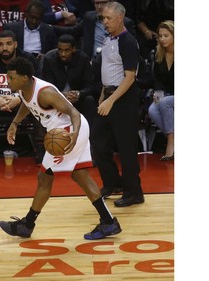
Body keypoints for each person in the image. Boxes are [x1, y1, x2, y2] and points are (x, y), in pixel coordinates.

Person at [0, 56, 122, 240]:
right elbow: (27, 104)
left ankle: (27, 224)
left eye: (11, 78)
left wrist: (74, 134)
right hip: (66, 131)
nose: (8, 81)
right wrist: (15, 123)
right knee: (80, 175)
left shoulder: (45, 92)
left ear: (24, 77)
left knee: (44, 178)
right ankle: (108, 222)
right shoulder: (25, 89)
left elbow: (74, 112)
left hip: (69, 131)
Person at [90, 2, 144, 207]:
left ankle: (134, 192)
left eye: (108, 18)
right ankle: (113, 183)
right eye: (103, 18)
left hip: (124, 98)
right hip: (109, 95)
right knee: (98, 143)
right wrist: (103, 96)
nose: (104, 22)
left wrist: (111, 100)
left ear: (120, 18)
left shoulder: (128, 41)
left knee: (126, 147)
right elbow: (108, 71)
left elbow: (130, 77)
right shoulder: (107, 39)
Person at [0, 30, 45, 168]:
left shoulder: (27, 60)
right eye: (0, 44)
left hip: (22, 103)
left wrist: (19, 97)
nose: (4, 48)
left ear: (16, 44)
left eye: (8, 44)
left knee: (39, 101)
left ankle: (40, 149)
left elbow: (38, 84)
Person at [42, 34, 97, 129]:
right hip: (56, 98)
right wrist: (63, 95)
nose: (63, 54)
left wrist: (79, 93)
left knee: (89, 100)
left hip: (77, 98)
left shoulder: (83, 59)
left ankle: (89, 134)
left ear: (73, 49)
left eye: (66, 50)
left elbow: (90, 85)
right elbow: (47, 86)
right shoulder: (49, 60)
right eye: (60, 50)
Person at [53, 0, 136, 61]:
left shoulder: (125, 23)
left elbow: (131, 48)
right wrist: (48, 27)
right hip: (90, 65)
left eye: (103, 3)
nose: (99, 6)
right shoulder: (89, 18)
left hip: (115, 66)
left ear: (112, 4)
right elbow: (73, 31)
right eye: (97, 3)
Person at [148, 20, 174, 161]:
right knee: (152, 110)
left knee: (165, 103)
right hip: (167, 94)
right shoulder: (157, 54)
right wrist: (158, 94)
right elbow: (156, 78)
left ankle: (170, 143)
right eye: (160, 36)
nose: (163, 39)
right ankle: (175, 138)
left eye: (166, 35)